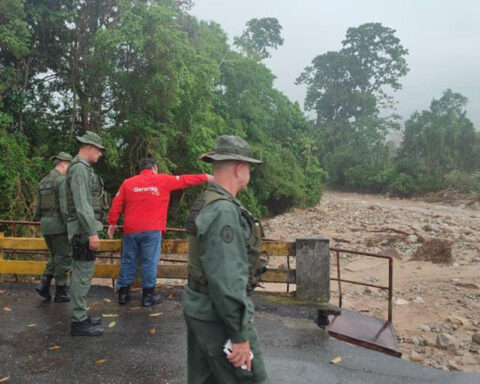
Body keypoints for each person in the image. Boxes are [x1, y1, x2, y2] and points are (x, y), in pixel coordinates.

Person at [182, 135, 271, 384]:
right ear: (239, 168)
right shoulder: (223, 211)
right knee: (252, 379)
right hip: (217, 315)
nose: (250, 172)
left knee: (206, 378)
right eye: (249, 166)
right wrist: (240, 334)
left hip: (201, 308)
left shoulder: (208, 202)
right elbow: (226, 279)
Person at [107, 158, 213, 307]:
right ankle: (148, 297)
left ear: (140, 169)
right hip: (152, 229)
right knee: (149, 263)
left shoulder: (128, 183)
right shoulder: (162, 180)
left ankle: (123, 295)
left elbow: (116, 202)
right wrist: (206, 177)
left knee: (128, 260)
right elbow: (184, 180)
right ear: (154, 168)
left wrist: (112, 222)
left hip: (130, 230)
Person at [66, 131, 108, 336]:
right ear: (89, 148)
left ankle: (80, 315)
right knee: (82, 275)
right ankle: (78, 321)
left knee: (83, 272)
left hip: (83, 228)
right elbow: (83, 205)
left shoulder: (82, 169)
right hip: (83, 230)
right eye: (99, 150)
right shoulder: (80, 170)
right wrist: (92, 232)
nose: (100, 154)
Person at [34, 151, 73, 302]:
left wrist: (41, 220)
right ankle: (61, 291)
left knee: (56, 256)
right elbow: (64, 207)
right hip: (58, 225)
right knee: (63, 257)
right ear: (63, 163)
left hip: (46, 224)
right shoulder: (61, 180)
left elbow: (38, 208)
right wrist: (69, 225)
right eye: (69, 165)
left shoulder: (43, 181)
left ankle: (44, 284)